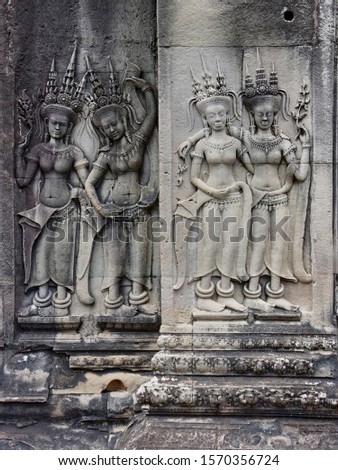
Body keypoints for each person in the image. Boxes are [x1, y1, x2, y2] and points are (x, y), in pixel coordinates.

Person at [178, 59, 311, 312]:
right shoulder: (245, 137)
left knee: (278, 243)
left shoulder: (283, 141)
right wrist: (191, 139)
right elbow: (220, 125)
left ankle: (273, 292)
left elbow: (300, 174)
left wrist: (307, 148)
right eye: (259, 113)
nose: (263, 117)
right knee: (253, 242)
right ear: (252, 113)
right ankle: (248, 292)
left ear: (274, 115)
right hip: (254, 197)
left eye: (269, 113)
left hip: (275, 196)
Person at [16, 52, 89, 316]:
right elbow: (23, 181)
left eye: (63, 124)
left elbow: (86, 181)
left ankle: (62, 303)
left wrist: (90, 198)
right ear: (46, 123)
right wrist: (19, 151)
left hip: (67, 209)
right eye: (54, 123)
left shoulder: (74, 152)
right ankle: (41, 299)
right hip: (41, 210)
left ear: (69, 127)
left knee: (62, 256)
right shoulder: (38, 149)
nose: (57, 127)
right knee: (40, 255)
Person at [176, 60, 252, 313]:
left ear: (227, 115)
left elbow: (251, 168)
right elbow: (194, 178)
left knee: (231, 243)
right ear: (205, 119)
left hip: (232, 196)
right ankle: (205, 294)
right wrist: (211, 192)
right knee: (210, 243)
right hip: (209, 197)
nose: (218, 119)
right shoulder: (202, 146)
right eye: (212, 116)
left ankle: (227, 291)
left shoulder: (234, 143)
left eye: (222, 114)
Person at [84, 61, 157, 316]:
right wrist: (100, 208)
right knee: (114, 259)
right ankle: (113, 303)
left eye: (114, 124)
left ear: (123, 120)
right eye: (106, 128)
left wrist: (145, 88)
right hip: (114, 210)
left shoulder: (138, 142)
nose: (111, 130)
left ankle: (138, 298)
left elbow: (150, 116)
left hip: (138, 207)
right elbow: (89, 182)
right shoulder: (106, 154)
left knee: (140, 255)